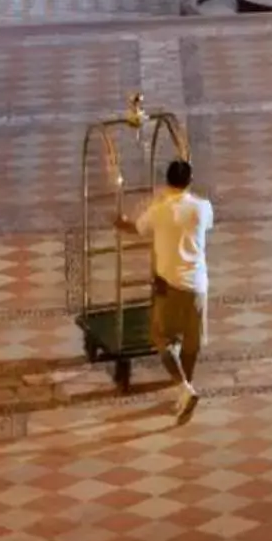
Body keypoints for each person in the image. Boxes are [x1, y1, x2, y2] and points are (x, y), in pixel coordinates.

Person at [119, 158, 212, 421]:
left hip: (169, 286)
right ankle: (187, 388)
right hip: (198, 286)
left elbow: (135, 227)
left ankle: (184, 388)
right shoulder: (202, 208)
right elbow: (204, 227)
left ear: (167, 181)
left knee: (162, 338)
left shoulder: (159, 211)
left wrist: (119, 221)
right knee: (191, 344)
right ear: (190, 181)